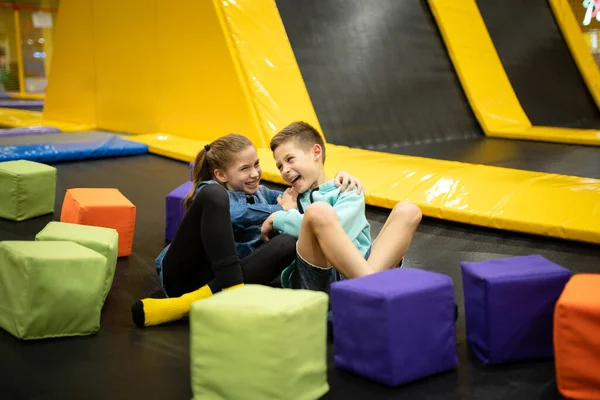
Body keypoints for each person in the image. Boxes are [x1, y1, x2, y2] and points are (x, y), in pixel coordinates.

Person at [132, 133, 363, 327]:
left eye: (256, 164)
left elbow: (303, 202)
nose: (254, 173)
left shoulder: (261, 193)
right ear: (221, 175)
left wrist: (337, 181)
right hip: (183, 276)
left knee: (287, 243)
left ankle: (196, 304)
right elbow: (236, 213)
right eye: (244, 169)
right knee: (217, 198)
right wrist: (276, 210)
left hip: (219, 287)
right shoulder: (210, 190)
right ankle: (228, 291)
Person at [261, 121, 423, 293]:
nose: (285, 170)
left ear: (316, 152)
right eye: (280, 166)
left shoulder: (347, 189)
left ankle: (365, 287)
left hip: (361, 265)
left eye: (290, 159)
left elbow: (340, 230)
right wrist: (285, 211)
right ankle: (371, 287)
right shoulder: (287, 199)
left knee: (408, 209)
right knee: (318, 211)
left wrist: (281, 217)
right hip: (317, 275)